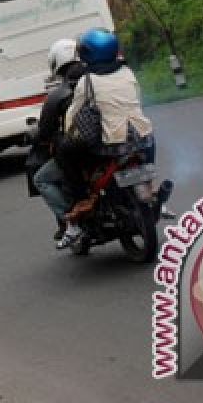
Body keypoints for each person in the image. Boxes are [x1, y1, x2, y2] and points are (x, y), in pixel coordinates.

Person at [58, 27, 157, 246]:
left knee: (65, 151)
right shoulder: (128, 72)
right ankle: (149, 181)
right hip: (143, 137)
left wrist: (68, 132)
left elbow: (74, 111)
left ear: (87, 54)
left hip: (111, 144)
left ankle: (82, 198)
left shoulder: (87, 81)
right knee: (148, 143)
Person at [30, 38, 86, 246]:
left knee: (41, 179)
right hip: (115, 142)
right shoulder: (99, 79)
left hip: (81, 151)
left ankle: (70, 221)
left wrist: (36, 136)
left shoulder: (58, 95)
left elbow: (44, 130)